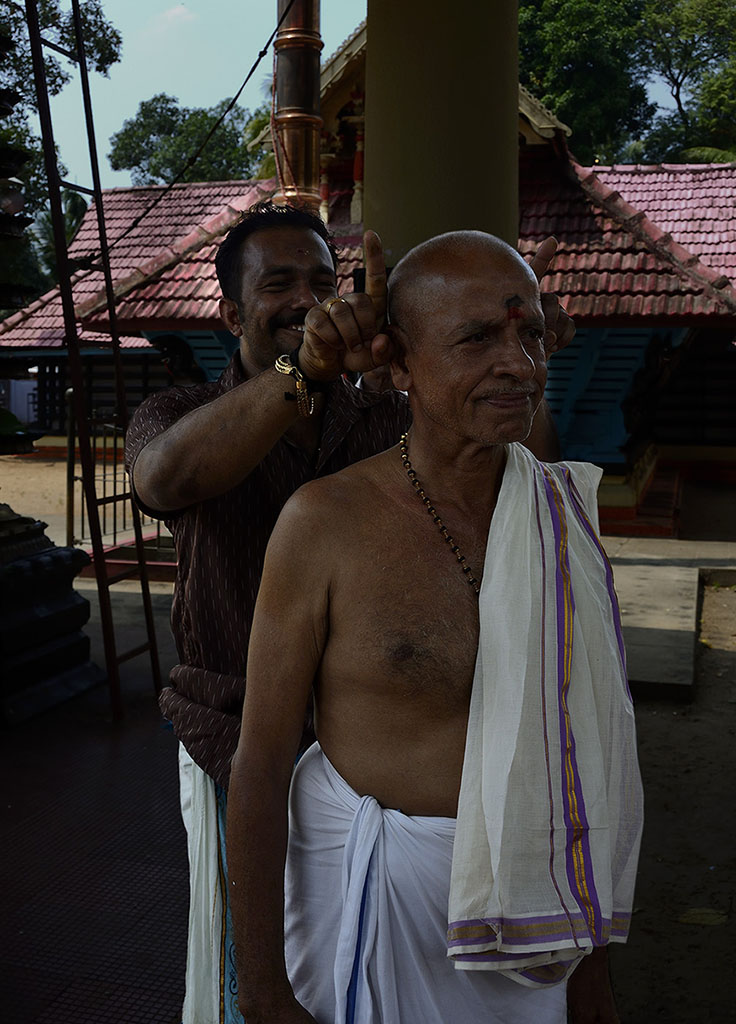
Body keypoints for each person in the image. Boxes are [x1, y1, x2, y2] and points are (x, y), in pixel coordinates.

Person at [125, 202, 573, 1023]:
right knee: (250, 974)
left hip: (354, 746)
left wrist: (507, 358)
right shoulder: (179, 410)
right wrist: (304, 372)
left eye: (324, 283)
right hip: (235, 731)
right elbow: (166, 480)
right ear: (230, 312)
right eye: (280, 284)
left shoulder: (380, 417)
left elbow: (510, 464)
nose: (307, 298)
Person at [226, 230, 643, 1024]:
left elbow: (582, 753)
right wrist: (264, 993)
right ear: (400, 367)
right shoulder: (325, 524)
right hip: (383, 914)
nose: (518, 364)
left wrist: (589, 977)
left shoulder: (558, 515)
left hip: (539, 917)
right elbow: (261, 762)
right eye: (478, 338)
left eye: (528, 333)